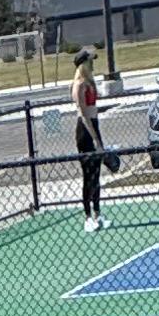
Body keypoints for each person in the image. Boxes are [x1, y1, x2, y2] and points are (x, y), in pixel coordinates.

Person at [71, 47, 108, 222]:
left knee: (96, 173)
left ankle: (98, 213)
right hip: (85, 131)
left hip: (95, 125)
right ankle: (87, 217)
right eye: (89, 61)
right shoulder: (78, 85)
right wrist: (95, 139)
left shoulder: (89, 82)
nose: (92, 64)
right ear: (82, 64)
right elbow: (84, 115)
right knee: (88, 175)